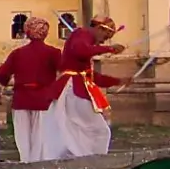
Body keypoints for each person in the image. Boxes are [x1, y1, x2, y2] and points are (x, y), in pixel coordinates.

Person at [40, 16, 126, 160]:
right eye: (106, 36)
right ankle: (90, 160)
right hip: (72, 90)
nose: (104, 40)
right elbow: (81, 50)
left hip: (74, 88)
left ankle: (79, 158)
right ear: (99, 29)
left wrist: (119, 81)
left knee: (75, 129)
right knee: (98, 129)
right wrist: (109, 49)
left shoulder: (84, 40)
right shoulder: (81, 34)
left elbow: (92, 76)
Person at [0, 17, 60, 162]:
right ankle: (39, 167)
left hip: (21, 99)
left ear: (27, 32)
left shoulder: (18, 53)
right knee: (41, 139)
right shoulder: (53, 53)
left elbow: (1, 74)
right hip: (44, 100)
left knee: (23, 139)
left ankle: (26, 164)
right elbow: (65, 72)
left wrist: (7, 83)